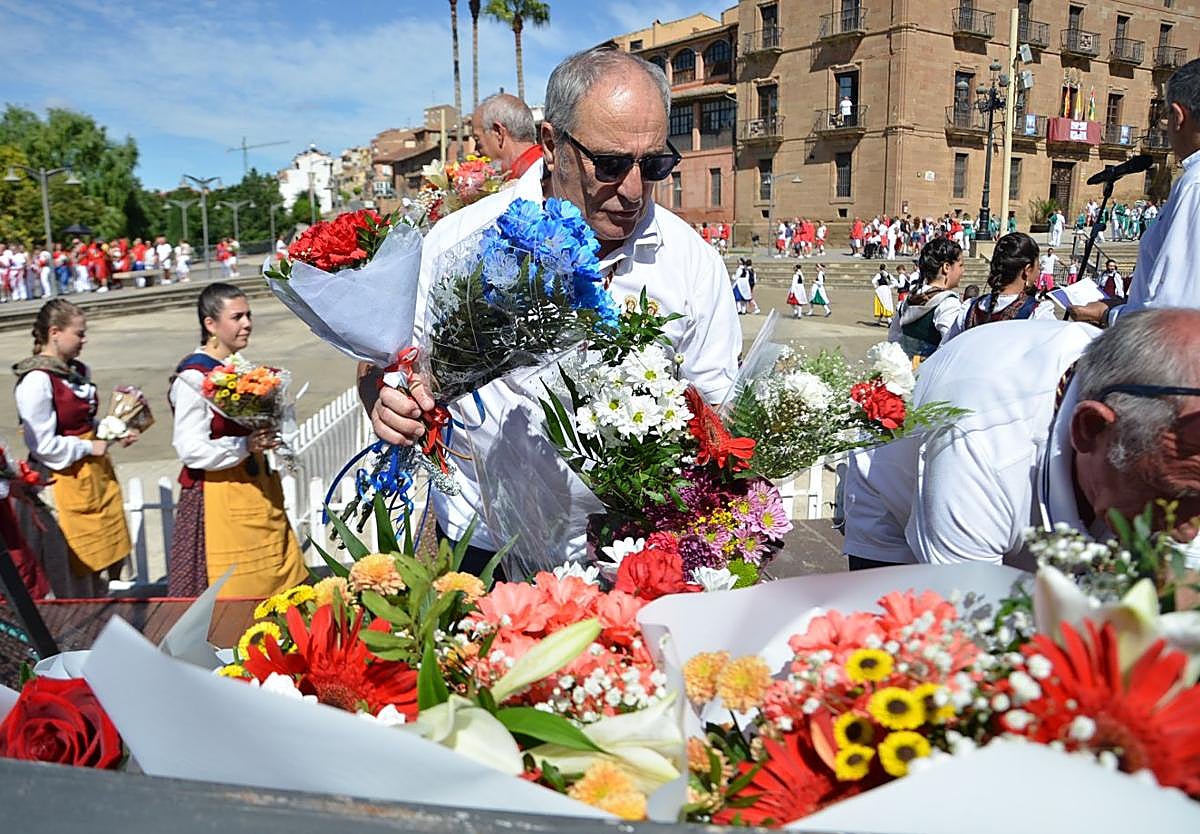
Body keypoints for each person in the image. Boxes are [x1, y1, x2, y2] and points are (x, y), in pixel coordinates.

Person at [363, 47, 739, 574]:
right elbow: (384, 365)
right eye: (609, 164)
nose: (633, 190)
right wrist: (387, 403)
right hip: (483, 548)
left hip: (628, 558)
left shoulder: (693, 262)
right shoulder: (458, 242)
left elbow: (716, 410)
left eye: (653, 163)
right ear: (551, 145)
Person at [842, 308, 1200, 569]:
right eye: (1177, 496)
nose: (1189, 532)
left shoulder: (1164, 453)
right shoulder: (982, 446)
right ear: (1090, 428)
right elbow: (969, 626)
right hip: (893, 493)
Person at [168, 283, 307, 598]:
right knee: (235, 590)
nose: (247, 323)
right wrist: (244, 446)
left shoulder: (237, 367)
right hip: (219, 494)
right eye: (237, 317)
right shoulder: (194, 376)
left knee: (276, 581)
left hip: (256, 486)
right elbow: (190, 448)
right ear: (210, 324)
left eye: (248, 315)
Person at [13, 299, 136, 597]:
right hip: (60, 482)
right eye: (79, 333)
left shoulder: (78, 371)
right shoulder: (36, 381)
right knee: (70, 568)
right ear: (55, 332)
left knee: (101, 563)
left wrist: (113, 432)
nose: (84, 339)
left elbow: (83, 421)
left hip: (91, 477)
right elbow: (43, 445)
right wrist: (87, 448)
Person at [1071, 59, 1200, 328]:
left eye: (1165, 116)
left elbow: (1172, 318)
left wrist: (1107, 315)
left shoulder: (1194, 185)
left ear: (1179, 117)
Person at [946, 232, 1055, 341]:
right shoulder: (1038, 315)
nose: (1039, 271)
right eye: (1038, 266)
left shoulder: (970, 309)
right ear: (1027, 269)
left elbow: (945, 350)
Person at [889, 237, 964, 362]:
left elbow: (893, 338)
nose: (963, 271)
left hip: (904, 374)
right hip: (929, 377)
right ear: (946, 267)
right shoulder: (948, 303)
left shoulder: (910, 299)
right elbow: (952, 347)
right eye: (960, 265)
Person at [469, 92, 543, 179]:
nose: (475, 152)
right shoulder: (546, 167)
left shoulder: (528, 178)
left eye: (478, 141)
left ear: (499, 133)